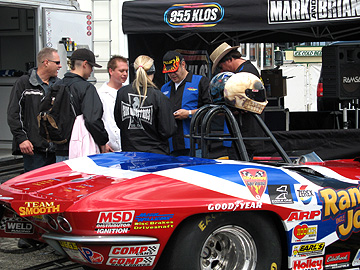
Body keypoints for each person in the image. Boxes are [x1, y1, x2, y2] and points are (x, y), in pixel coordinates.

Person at [7, 47, 61, 172]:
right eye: (57, 62)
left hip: (56, 150)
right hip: (34, 150)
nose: (60, 66)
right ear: (46, 62)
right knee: (34, 188)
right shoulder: (24, 83)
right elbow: (14, 113)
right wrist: (22, 139)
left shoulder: (59, 84)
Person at [210, 42, 264, 159]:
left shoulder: (245, 74)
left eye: (221, 67)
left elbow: (247, 105)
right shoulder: (245, 71)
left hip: (246, 133)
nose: (221, 71)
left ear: (229, 60)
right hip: (243, 132)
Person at [114, 55, 177, 155]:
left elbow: (119, 122)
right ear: (153, 72)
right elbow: (168, 130)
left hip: (129, 153)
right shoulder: (159, 96)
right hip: (155, 155)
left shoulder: (122, 93)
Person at [55, 48, 109, 161]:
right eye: (91, 67)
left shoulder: (57, 85)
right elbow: (93, 119)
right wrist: (103, 140)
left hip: (59, 148)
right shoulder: (86, 88)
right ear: (85, 64)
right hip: (81, 148)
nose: (91, 71)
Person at [161, 51, 211, 156]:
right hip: (171, 145)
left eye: (175, 70)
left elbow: (210, 110)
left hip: (194, 143)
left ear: (183, 64)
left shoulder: (200, 81)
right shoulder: (165, 88)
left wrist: (189, 113)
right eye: (169, 72)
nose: (172, 74)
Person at [98, 55, 129, 152]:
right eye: (121, 71)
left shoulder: (129, 92)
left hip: (128, 147)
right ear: (111, 71)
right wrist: (102, 143)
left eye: (126, 71)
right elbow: (97, 121)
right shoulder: (100, 94)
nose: (125, 74)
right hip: (109, 149)